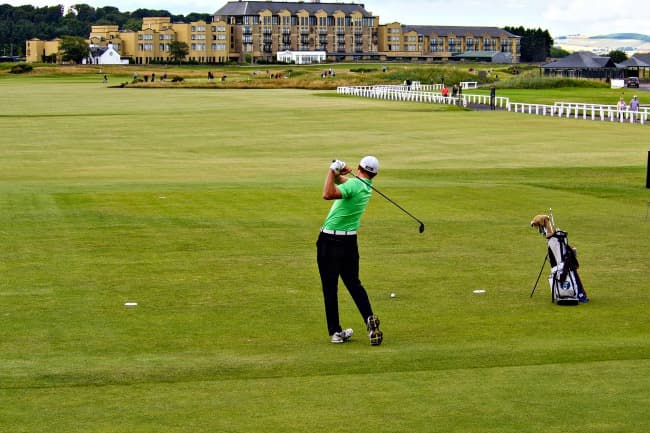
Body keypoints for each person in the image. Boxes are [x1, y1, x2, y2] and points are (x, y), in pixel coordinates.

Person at [317, 156, 383, 346]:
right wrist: (339, 174)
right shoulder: (365, 187)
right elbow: (343, 185)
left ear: (360, 167)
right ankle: (368, 317)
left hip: (330, 241)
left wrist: (331, 170)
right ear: (375, 174)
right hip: (349, 242)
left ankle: (336, 332)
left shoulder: (355, 185)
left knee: (330, 287)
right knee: (354, 283)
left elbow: (327, 194)